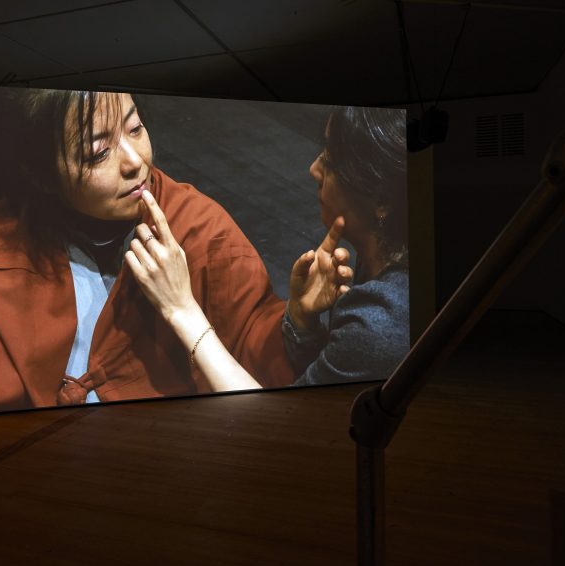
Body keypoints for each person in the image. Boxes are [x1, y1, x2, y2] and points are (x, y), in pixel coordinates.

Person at [0, 90, 297, 417]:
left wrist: (300, 323)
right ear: (40, 175)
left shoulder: (198, 226)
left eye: (135, 128)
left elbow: (251, 346)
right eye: (98, 152)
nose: (134, 160)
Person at [126, 106, 408, 391]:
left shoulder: (382, 323)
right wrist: (302, 323)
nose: (314, 170)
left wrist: (181, 309)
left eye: (331, 163)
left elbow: (285, 424)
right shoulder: (381, 255)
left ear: (381, 198)